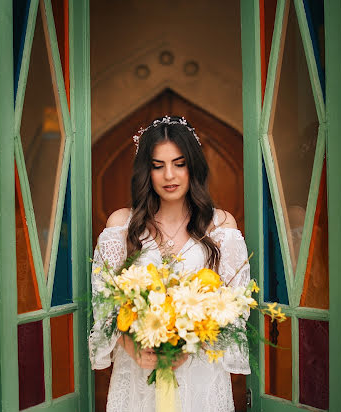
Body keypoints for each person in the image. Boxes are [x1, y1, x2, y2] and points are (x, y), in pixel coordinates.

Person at [89, 115, 251, 412]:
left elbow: (235, 305)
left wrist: (192, 343)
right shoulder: (122, 226)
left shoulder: (221, 226)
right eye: (158, 166)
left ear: (193, 167)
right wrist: (131, 346)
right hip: (139, 371)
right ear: (145, 171)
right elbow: (105, 305)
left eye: (179, 164)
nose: (169, 176)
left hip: (199, 372)